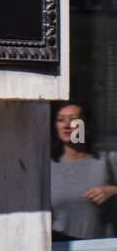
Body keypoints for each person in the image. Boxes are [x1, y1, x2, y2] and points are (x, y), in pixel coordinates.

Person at [50, 101, 117, 240]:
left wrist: (113, 191)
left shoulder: (107, 160)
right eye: (60, 120)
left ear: (87, 127)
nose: (67, 125)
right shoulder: (48, 166)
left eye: (74, 119)